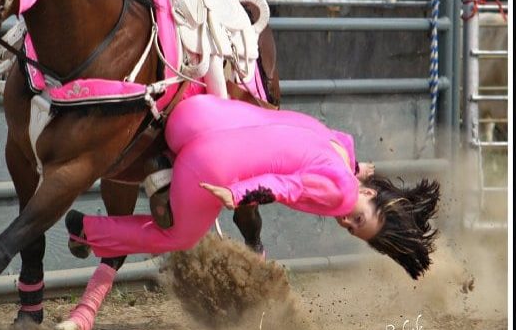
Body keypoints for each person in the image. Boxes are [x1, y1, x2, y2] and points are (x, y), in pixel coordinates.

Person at [67, 94, 440, 279]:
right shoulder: (341, 195)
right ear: (369, 193)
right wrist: (238, 194)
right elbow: (283, 187)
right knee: (179, 237)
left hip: (193, 114)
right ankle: (88, 230)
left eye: (354, 231)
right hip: (208, 163)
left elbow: (311, 155)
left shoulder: (339, 149)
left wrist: (356, 168)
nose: (347, 222)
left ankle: (161, 165)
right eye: (359, 219)